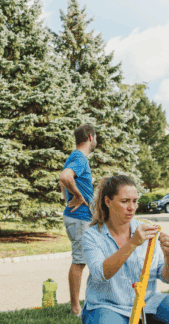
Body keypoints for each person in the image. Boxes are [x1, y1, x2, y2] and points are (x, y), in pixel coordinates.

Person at [81, 175, 169, 324]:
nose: (131, 207)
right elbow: (100, 274)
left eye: (135, 201)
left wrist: (168, 255)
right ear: (107, 201)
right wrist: (132, 243)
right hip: (108, 306)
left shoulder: (146, 230)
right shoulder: (92, 235)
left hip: (148, 302)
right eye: (125, 201)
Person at [59, 124, 97, 316]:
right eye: (95, 137)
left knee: (85, 259)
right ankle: (75, 308)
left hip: (80, 217)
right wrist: (78, 195)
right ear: (91, 137)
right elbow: (64, 176)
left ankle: (87, 302)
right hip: (79, 218)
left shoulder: (74, 157)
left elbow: (62, 181)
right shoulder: (79, 158)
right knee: (80, 262)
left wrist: (70, 196)